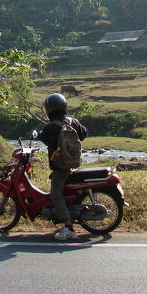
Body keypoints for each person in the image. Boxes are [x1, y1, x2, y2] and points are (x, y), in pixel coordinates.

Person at [38, 93, 88, 241]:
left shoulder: (50, 128)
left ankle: (68, 227)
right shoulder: (73, 122)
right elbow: (84, 133)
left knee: (56, 196)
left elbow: (43, 137)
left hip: (61, 168)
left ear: (49, 110)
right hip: (73, 164)